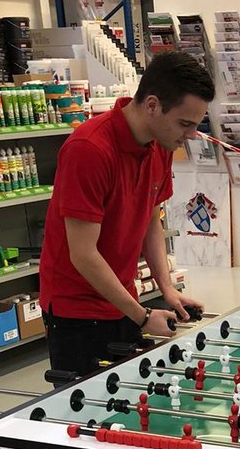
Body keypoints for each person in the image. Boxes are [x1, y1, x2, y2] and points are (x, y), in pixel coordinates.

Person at [39, 51, 215, 379]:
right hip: (76, 312)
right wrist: (143, 316)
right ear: (152, 105)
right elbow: (83, 254)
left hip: (124, 299)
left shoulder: (159, 146)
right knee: (85, 419)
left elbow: (151, 220)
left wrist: (166, 288)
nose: (190, 135)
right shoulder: (89, 150)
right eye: (184, 123)